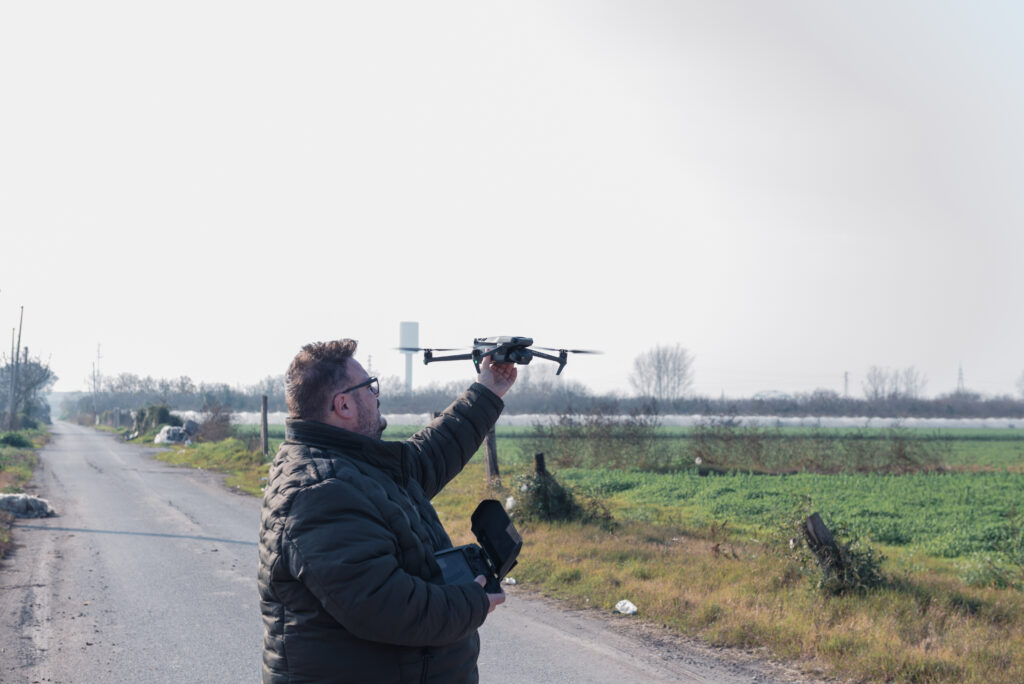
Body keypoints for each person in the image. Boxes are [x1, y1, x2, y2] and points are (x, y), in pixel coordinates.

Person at [258, 338, 517, 683]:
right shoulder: (320, 492)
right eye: (370, 387)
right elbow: (385, 607)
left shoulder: (358, 465)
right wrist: (474, 600)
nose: (377, 395)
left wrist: (488, 389)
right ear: (344, 405)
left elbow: (435, 452)